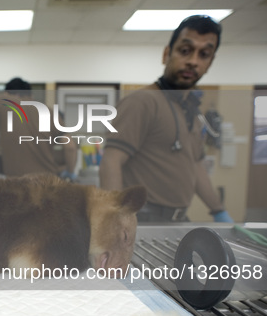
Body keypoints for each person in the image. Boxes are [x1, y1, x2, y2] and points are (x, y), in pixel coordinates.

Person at [99, 15, 233, 223]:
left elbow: (195, 166)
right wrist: (115, 220)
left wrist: (218, 211)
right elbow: (111, 161)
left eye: (204, 54)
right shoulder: (143, 102)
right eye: (185, 50)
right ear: (166, 54)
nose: (193, 61)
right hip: (142, 219)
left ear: (210, 63)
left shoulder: (192, 111)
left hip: (179, 219)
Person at [0, 77, 77, 178]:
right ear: (30, 95)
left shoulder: (2, 102)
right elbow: (70, 147)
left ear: (7, 93)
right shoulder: (48, 111)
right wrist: (70, 172)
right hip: (48, 182)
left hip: (19, 185)